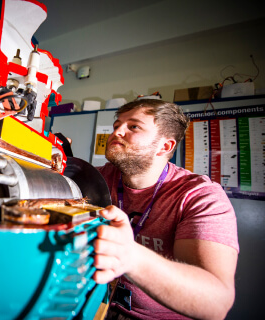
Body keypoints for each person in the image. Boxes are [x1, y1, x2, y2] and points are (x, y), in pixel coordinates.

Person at [93, 99, 239, 320]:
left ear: (165, 146)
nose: (117, 132)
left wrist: (130, 256)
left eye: (133, 126)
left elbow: (215, 303)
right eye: (116, 125)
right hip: (96, 304)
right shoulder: (97, 178)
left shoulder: (199, 196)